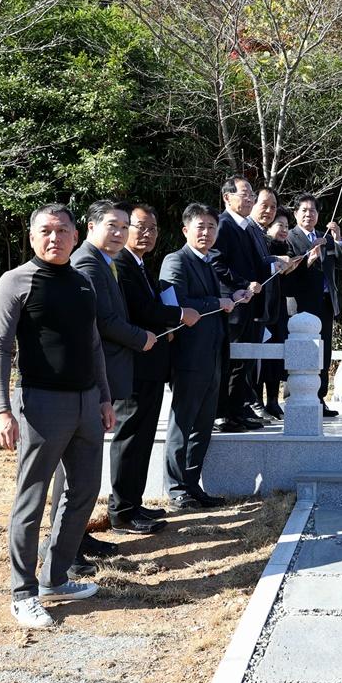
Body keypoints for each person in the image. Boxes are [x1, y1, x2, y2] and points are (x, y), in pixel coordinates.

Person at [0, 204, 112, 628]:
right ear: (31, 237)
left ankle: (55, 577)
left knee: (83, 491)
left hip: (86, 403)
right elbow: (0, 350)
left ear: (76, 236)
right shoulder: (14, 283)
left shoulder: (82, 283)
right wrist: (2, 409)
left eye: (62, 231)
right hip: (40, 405)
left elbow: (93, 346)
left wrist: (104, 398)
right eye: (45, 231)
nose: (54, 238)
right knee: (32, 498)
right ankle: (22, 593)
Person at [59, 202, 159, 556]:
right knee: (79, 467)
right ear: (89, 227)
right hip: (85, 377)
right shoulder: (87, 262)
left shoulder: (107, 262)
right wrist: (140, 337)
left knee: (86, 466)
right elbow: (103, 321)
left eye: (123, 227)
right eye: (112, 226)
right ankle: (70, 541)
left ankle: (77, 536)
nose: (119, 233)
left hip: (109, 370)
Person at [109, 203, 199, 534]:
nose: (147, 234)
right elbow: (142, 309)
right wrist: (177, 316)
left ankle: (132, 503)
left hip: (150, 365)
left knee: (143, 436)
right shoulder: (121, 264)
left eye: (153, 229)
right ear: (124, 228)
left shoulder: (142, 265)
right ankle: (121, 509)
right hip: (134, 365)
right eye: (140, 227)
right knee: (130, 436)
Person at [159, 203, 240, 510]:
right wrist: (218, 300)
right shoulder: (175, 261)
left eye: (211, 227)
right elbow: (176, 302)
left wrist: (232, 298)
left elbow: (212, 304)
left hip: (213, 355)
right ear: (185, 230)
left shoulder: (208, 263)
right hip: (188, 356)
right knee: (183, 423)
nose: (206, 232)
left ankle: (193, 485)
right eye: (200, 226)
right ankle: (177, 488)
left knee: (203, 425)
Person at [285, 193, 342, 416]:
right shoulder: (290, 237)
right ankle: (293, 396)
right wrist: (308, 259)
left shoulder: (325, 237)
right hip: (301, 304)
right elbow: (286, 273)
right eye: (303, 210)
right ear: (295, 213)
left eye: (312, 211)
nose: (308, 214)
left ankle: (319, 399)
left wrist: (338, 237)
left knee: (324, 351)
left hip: (325, 302)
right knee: (302, 350)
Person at [213, 177, 268, 431]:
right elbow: (217, 263)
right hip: (233, 304)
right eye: (244, 194)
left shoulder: (249, 227)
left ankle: (237, 410)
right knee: (230, 360)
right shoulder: (222, 225)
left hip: (249, 304)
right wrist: (244, 284)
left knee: (243, 362)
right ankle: (221, 413)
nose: (249, 199)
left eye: (251, 195)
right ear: (227, 197)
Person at [252, 188, 293, 420]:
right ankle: (256, 400)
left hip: (278, 310)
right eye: (280, 225)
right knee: (260, 358)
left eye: (287, 226)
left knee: (276, 357)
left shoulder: (286, 248)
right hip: (261, 308)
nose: (284, 230)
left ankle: (273, 400)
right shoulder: (262, 245)